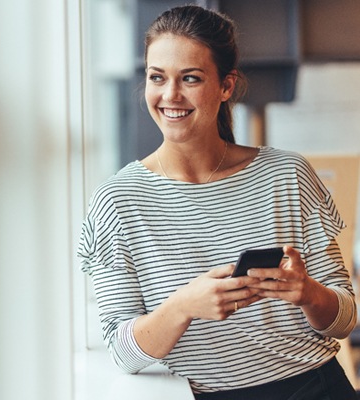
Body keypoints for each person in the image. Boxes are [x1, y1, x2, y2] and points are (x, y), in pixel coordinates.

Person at [78, 5, 358, 399]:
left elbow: (345, 319)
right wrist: (183, 306)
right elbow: (124, 351)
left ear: (226, 86)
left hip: (315, 385)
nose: (170, 95)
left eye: (190, 78)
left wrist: (308, 292)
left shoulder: (288, 174)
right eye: (157, 77)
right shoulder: (117, 200)